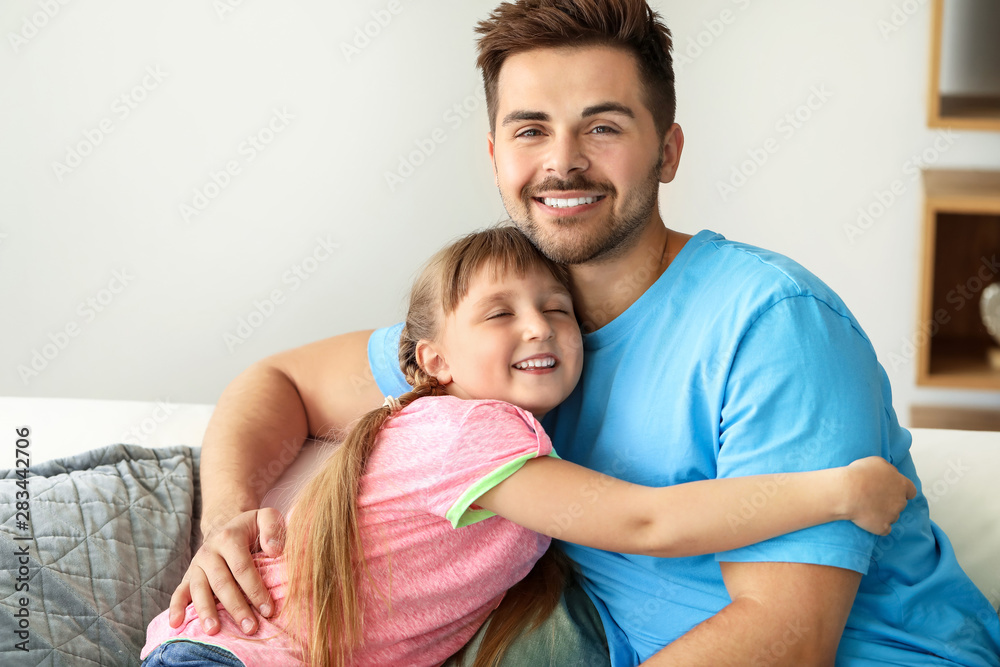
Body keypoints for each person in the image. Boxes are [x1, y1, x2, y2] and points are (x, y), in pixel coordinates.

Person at [171, 0, 1000, 664]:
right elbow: (277, 382)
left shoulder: (772, 323)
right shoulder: (500, 339)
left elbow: (787, 638)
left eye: (603, 127)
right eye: (531, 129)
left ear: (667, 151)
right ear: (495, 155)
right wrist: (227, 524)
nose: (562, 161)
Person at [144, 226, 914, 666]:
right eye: (500, 314)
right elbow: (648, 520)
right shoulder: (473, 430)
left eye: (557, 309)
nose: (539, 327)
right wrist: (837, 491)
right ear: (432, 359)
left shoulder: (449, 421)